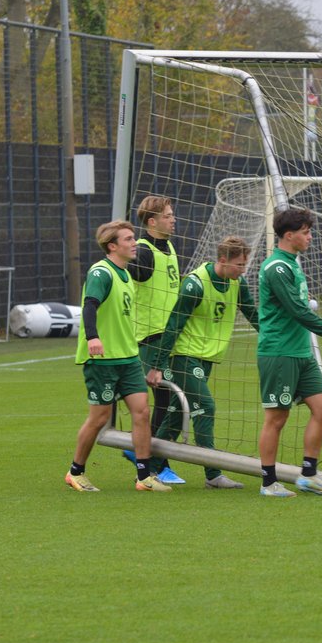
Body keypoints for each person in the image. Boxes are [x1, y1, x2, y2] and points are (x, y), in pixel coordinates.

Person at [256, 206, 322, 497]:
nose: (310, 237)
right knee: (276, 418)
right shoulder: (276, 267)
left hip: (300, 352)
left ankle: (308, 476)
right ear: (289, 236)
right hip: (279, 352)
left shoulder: (292, 263)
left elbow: (298, 304)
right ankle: (268, 482)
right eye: (305, 232)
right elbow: (298, 311)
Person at [145, 236, 260, 489]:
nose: (243, 269)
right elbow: (173, 326)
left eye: (245, 264)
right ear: (222, 260)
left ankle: (147, 469)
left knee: (175, 415)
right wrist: (157, 365)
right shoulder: (195, 285)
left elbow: (251, 312)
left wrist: (273, 336)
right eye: (239, 264)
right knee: (205, 407)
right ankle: (213, 474)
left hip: (206, 358)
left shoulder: (237, 283)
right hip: (184, 357)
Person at [67, 220, 171, 492]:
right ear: (112, 246)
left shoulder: (126, 275)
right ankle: (75, 472)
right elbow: (90, 306)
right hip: (103, 361)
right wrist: (93, 337)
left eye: (133, 237)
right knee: (99, 418)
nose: (134, 242)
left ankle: (144, 476)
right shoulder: (102, 273)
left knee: (141, 412)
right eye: (128, 239)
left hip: (128, 358)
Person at [123, 194, 186, 484]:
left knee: (166, 401)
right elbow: (133, 271)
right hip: (151, 336)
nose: (173, 219)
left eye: (172, 214)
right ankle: (154, 463)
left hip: (168, 334)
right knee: (168, 398)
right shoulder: (144, 251)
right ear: (152, 221)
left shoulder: (169, 246)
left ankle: (148, 456)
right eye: (168, 215)